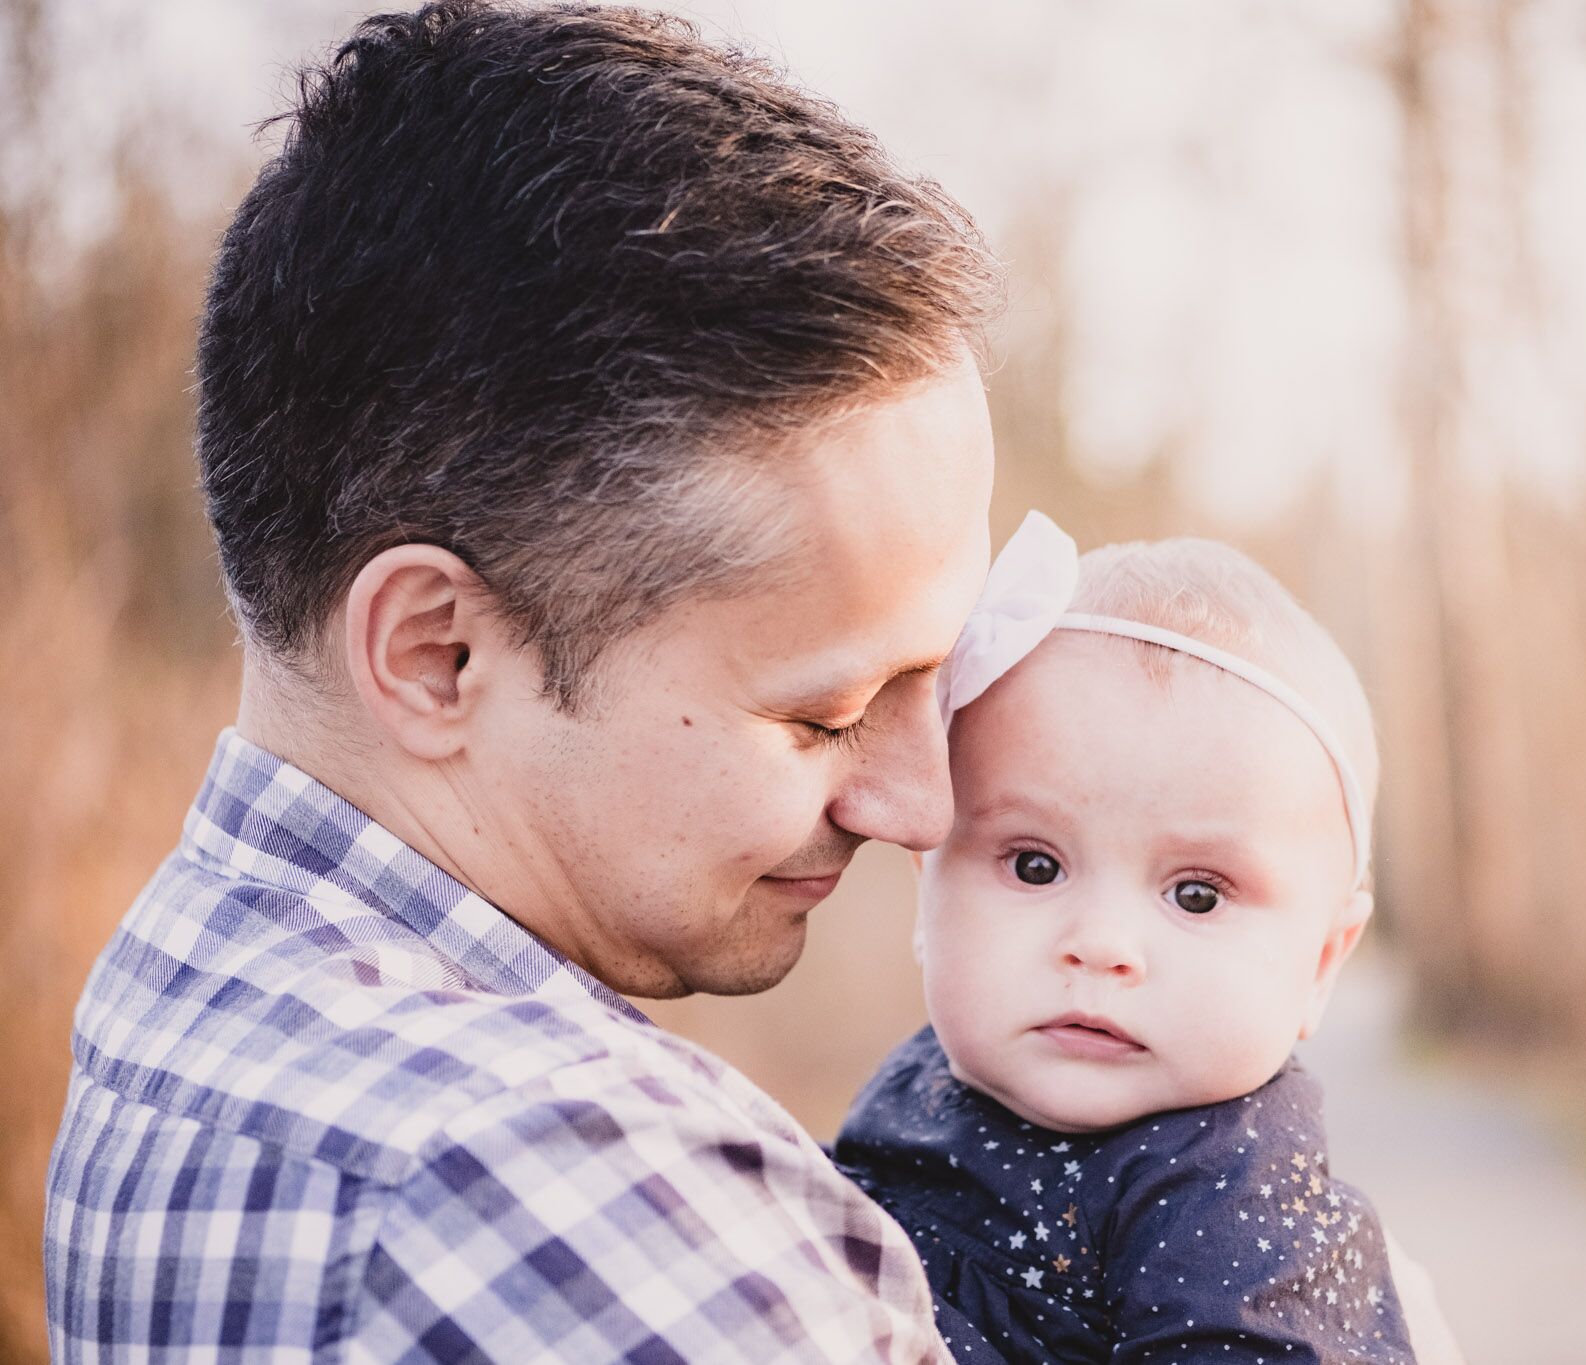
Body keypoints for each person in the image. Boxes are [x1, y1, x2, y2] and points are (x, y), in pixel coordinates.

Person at [44, 3, 1003, 1360]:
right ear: (436, 654)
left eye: (938, 676)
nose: (923, 805)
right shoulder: (593, 1217)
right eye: (825, 715)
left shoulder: (185, 981)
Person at [834, 516, 1465, 1363]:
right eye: (1034, 865)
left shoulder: (1235, 1198)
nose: (1101, 944)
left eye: (1196, 894)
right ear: (928, 891)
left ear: (1321, 963)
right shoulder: (924, 1078)